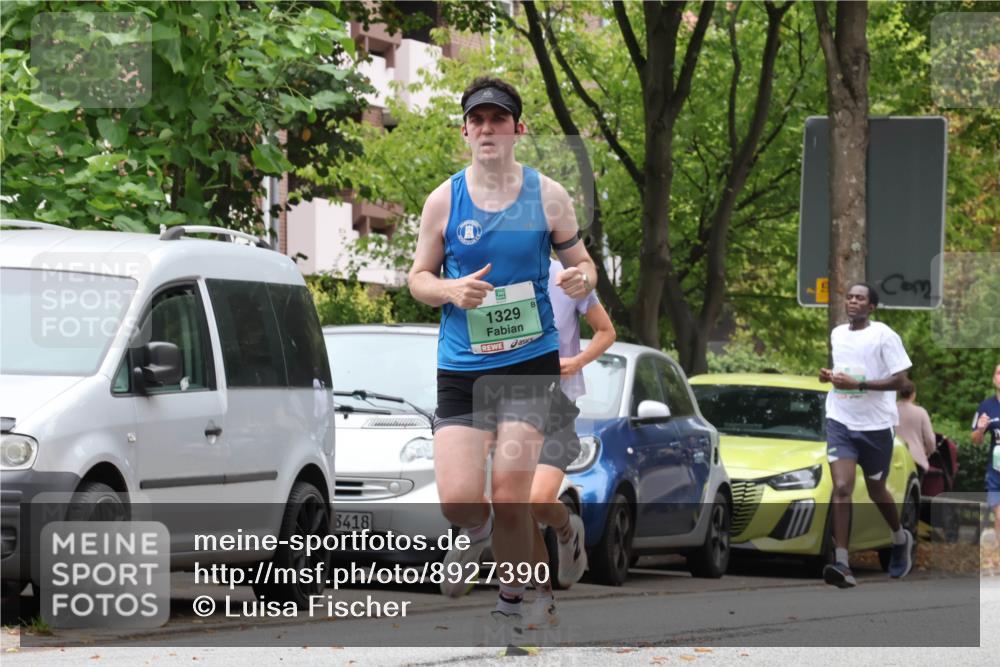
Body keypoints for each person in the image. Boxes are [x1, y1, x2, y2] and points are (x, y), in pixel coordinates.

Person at [407, 76, 598, 643]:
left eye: (498, 119)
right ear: (466, 130)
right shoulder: (444, 200)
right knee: (461, 502)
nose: (487, 128)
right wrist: (448, 291)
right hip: (463, 365)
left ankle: (523, 601)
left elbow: (585, 266)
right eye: (478, 120)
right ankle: (478, 527)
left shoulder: (549, 196)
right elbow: (417, 278)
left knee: (514, 494)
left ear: (519, 128)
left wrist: (578, 276)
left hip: (528, 363)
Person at [524, 258, 616, 629]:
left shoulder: (565, 276)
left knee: (538, 500)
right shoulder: (493, 273)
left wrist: (576, 361)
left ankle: (566, 529)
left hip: (556, 407)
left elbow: (606, 331)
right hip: (507, 402)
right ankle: (542, 598)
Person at [818, 282, 914, 588]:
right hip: (841, 420)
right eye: (849, 297)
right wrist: (830, 377)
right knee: (842, 487)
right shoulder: (837, 334)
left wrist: (858, 385)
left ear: (871, 307)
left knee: (876, 489)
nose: (853, 301)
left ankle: (900, 538)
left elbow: (901, 382)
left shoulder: (884, 335)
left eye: (860, 298)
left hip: (875, 425)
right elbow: (843, 372)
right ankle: (843, 563)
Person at [971, 363, 1000, 545]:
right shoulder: (986, 406)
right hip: (996, 472)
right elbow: (975, 439)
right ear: (994, 379)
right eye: (998, 372)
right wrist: (980, 430)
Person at [896, 379, 936, 478]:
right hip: (916, 458)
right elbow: (930, 439)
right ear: (913, 394)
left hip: (894, 458)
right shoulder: (921, 412)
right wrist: (929, 451)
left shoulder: (890, 410)